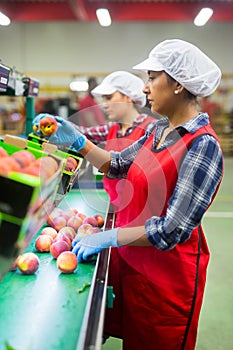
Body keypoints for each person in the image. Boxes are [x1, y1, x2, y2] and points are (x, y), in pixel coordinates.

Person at [38, 39, 223, 350]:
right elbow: (118, 164)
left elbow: (171, 230)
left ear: (177, 84)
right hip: (136, 268)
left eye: (152, 78)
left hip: (168, 281)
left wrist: (109, 237)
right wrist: (78, 141)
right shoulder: (157, 130)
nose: (145, 89)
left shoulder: (202, 146)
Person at [34, 71, 158, 212]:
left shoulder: (150, 128)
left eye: (109, 98)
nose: (104, 104)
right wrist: (56, 123)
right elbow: (82, 133)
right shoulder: (113, 128)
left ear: (128, 97)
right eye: (103, 99)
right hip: (116, 206)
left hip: (142, 210)